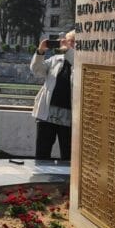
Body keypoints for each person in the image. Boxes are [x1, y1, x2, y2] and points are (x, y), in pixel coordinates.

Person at [30, 31, 76, 161]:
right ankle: (40, 179)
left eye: (72, 41)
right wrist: (40, 52)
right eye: (66, 41)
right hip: (47, 112)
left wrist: (68, 51)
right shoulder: (56, 59)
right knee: (42, 152)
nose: (68, 44)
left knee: (67, 154)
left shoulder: (81, 62)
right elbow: (37, 70)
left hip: (69, 116)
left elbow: (78, 66)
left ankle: (66, 181)